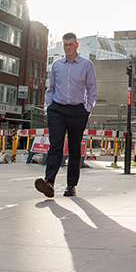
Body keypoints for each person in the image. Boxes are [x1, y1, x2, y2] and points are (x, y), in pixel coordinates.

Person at [35, 33, 97, 198]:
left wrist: (88, 110)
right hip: (57, 110)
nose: (68, 48)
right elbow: (51, 89)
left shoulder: (86, 64)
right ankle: (49, 182)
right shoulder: (56, 65)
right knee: (55, 144)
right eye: (65, 45)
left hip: (77, 111)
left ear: (77, 45)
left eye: (70, 44)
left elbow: (92, 89)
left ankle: (71, 185)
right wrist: (49, 107)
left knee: (74, 149)